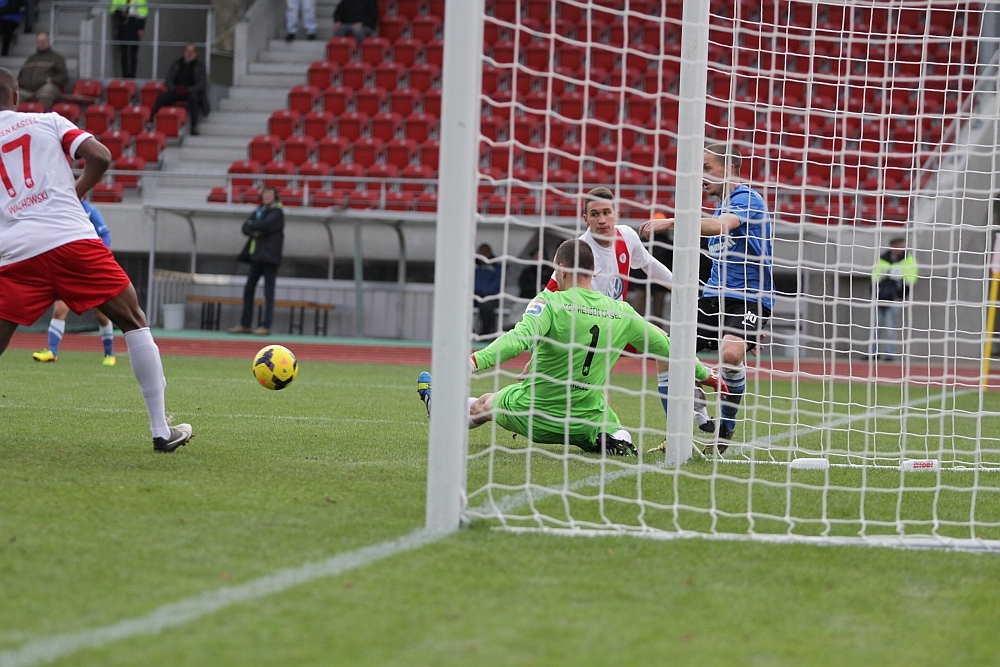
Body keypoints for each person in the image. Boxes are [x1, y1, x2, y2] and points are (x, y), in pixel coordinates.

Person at [0, 67, 192, 452]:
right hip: (69, 238)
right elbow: (101, 156)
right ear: (17, 97)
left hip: (15, 253)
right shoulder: (48, 120)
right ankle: (160, 430)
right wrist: (76, 192)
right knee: (133, 320)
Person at [415, 239, 726, 455]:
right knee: (611, 423)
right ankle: (616, 438)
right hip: (586, 421)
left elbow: (517, 339)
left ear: (561, 270)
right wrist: (705, 374)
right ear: (595, 272)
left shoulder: (549, 302)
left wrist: (473, 362)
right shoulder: (621, 311)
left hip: (536, 414)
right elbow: (667, 347)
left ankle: (439, 406)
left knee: (484, 404)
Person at [540, 187, 714, 437]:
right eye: (595, 214)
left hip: (621, 324)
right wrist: (536, 341)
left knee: (669, 349)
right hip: (589, 333)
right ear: (585, 218)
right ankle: (609, 434)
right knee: (597, 389)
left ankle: (691, 422)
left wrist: (685, 290)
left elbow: (649, 265)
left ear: (617, 214)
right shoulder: (579, 251)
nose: (602, 220)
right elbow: (549, 293)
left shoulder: (627, 236)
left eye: (606, 213)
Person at [640, 142, 775, 455]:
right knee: (668, 350)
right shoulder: (720, 206)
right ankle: (683, 429)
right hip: (713, 296)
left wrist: (673, 221)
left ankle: (726, 425)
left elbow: (721, 226)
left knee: (730, 353)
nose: (702, 176)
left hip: (748, 298)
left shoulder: (747, 198)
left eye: (707, 168)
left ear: (728, 169)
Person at [32, 200, 117, 365]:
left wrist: (98, 255)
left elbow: (106, 235)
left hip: (89, 270)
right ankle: (52, 352)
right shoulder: (61, 209)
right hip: (70, 270)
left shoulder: (89, 211)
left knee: (101, 314)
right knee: (59, 309)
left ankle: (109, 355)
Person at [229, 187, 285, 336]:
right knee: (248, 290)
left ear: (275, 197)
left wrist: (254, 226)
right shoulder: (259, 211)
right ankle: (245, 324)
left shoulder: (277, 213)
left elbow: (265, 225)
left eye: (269, 194)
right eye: (265, 194)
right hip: (256, 257)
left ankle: (265, 325)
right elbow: (245, 227)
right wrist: (256, 229)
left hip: (270, 258)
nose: (266, 196)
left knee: (268, 292)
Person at [871, 237, 918, 361]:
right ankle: (873, 352)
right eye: (896, 246)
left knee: (891, 326)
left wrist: (900, 293)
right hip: (880, 297)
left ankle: (889, 353)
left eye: (900, 246)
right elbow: (875, 276)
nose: (898, 249)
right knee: (876, 325)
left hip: (895, 298)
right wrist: (875, 292)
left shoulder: (908, 260)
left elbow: (911, 279)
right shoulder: (883, 258)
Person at [149, 43, 206, 136]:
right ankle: (152, 122)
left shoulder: (200, 66)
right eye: (187, 51)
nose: (189, 53)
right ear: (184, 52)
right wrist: (175, 88)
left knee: (194, 98)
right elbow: (168, 80)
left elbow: (201, 84)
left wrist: (188, 90)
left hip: (191, 92)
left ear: (196, 54)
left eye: (192, 51)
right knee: (162, 97)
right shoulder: (176, 64)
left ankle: (193, 126)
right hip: (176, 91)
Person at [17, 32, 66, 110]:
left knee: (48, 90)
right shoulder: (31, 59)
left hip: (45, 89)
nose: (41, 43)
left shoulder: (56, 58)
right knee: (13, 94)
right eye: (39, 41)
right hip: (27, 90)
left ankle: (43, 115)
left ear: (48, 42)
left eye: (44, 41)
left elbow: (63, 76)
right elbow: (20, 76)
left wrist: (51, 80)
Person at [110, 0, 147, 79]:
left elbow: (143, 12)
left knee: (133, 54)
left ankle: (132, 77)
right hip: (123, 24)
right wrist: (120, 13)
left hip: (135, 24)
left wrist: (141, 27)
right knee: (124, 53)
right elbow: (112, 9)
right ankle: (125, 76)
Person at [474, 243, 501, 336]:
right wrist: (475, 291)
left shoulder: (496, 267)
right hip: (472, 295)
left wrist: (484, 292)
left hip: (489, 296)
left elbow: (497, 282)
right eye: (482, 252)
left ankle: (485, 334)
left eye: (486, 252)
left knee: (487, 306)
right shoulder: (471, 264)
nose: (484, 254)